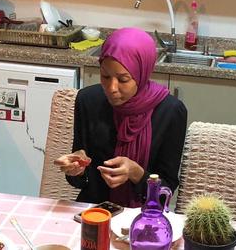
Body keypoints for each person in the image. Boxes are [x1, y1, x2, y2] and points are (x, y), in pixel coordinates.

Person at [54, 27, 187, 207]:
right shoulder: (88, 101)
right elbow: (82, 183)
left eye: (123, 79)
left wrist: (136, 173)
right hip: (96, 211)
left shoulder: (170, 112)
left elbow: (166, 191)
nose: (112, 87)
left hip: (145, 215)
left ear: (141, 74)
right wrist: (77, 171)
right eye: (105, 76)